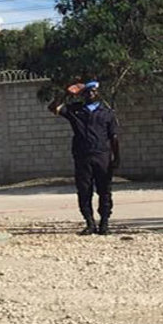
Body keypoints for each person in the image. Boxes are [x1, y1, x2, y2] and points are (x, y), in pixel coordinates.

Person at [49, 80, 120, 235]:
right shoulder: (75, 110)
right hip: (82, 156)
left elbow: (113, 137)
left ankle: (105, 223)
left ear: (98, 93)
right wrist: (66, 93)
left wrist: (116, 157)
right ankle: (89, 223)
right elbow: (53, 108)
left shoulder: (107, 113)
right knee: (84, 190)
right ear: (82, 94)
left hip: (102, 156)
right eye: (87, 92)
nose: (90, 94)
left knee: (105, 191)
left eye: (93, 91)